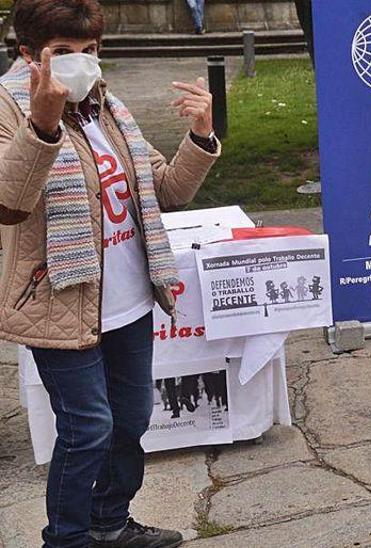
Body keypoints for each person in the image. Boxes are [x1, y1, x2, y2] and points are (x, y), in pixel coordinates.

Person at [0, 1, 221, 546]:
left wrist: (200, 135)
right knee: (87, 429)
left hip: (128, 297)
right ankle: (68, 539)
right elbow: (10, 203)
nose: (81, 63)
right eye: (64, 53)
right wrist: (42, 124)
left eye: (91, 51)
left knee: (131, 421)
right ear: (28, 54)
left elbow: (165, 192)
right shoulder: (8, 109)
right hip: (55, 297)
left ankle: (109, 522)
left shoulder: (107, 107)